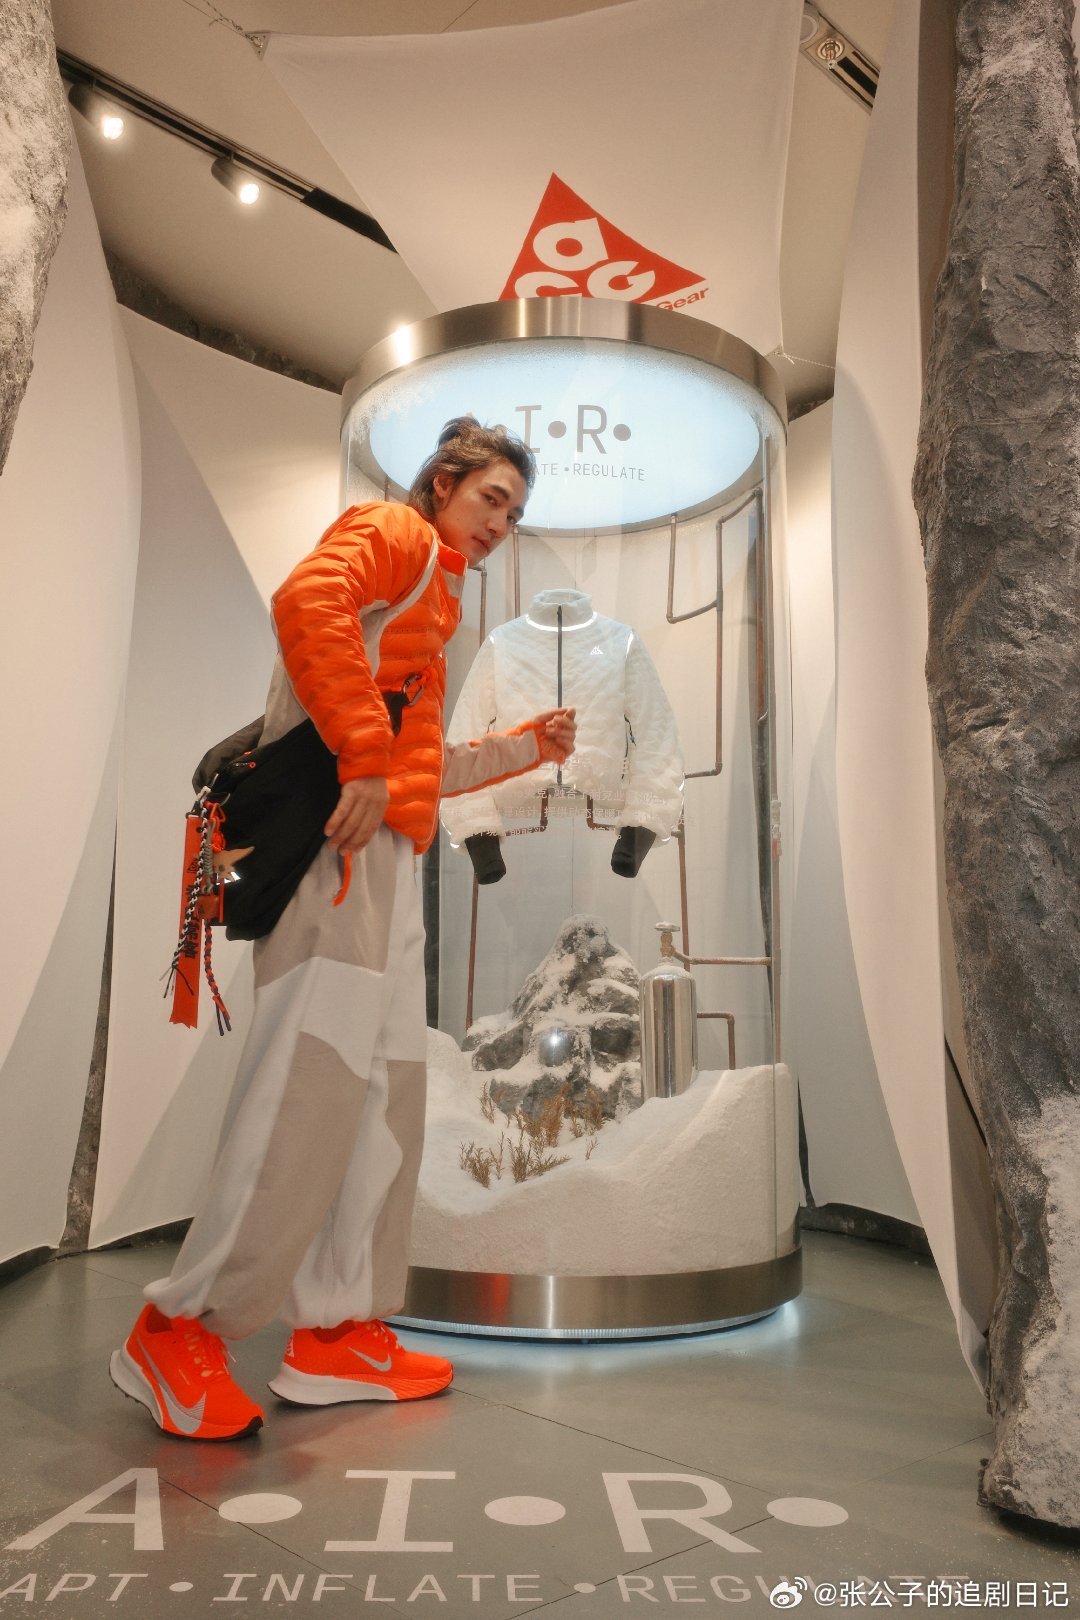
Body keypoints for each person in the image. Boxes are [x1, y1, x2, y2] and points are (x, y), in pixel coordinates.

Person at [110, 416, 575, 1440]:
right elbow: (306, 601)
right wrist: (364, 756)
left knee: (380, 1101)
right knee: (303, 1088)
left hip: (386, 865)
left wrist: (523, 749)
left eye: (514, 512)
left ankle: (337, 1330)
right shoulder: (394, 534)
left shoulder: (431, 599)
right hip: (337, 856)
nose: (501, 522)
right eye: (492, 497)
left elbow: (422, 765)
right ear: (444, 483)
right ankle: (176, 1330)